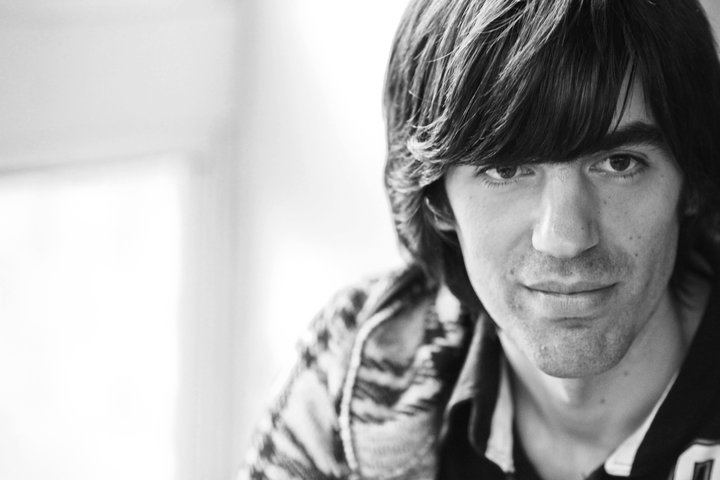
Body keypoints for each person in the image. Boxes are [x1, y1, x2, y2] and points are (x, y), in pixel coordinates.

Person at [239, 0, 720, 478]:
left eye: (619, 163)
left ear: (692, 181)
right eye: (506, 169)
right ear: (437, 200)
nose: (565, 238)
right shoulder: (349, 370)